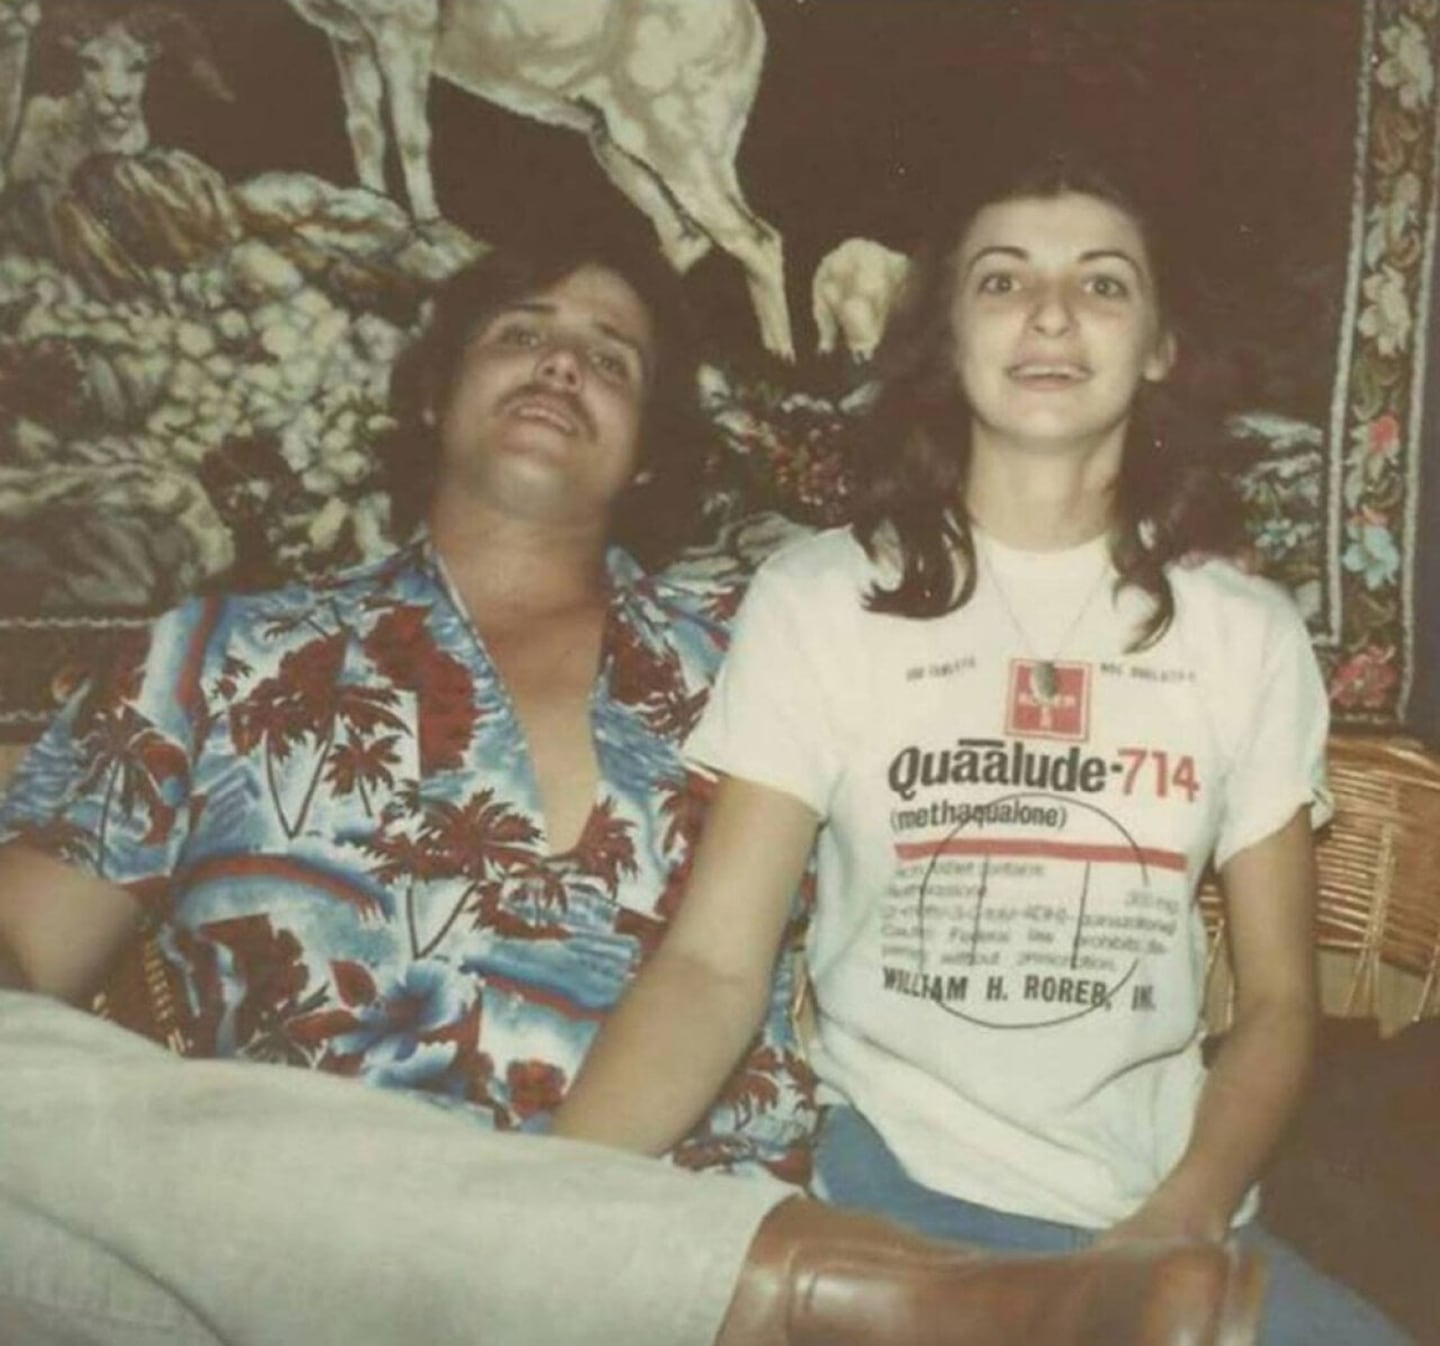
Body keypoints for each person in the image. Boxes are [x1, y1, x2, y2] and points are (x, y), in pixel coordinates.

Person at [0, 236, 1264, 1346]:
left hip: (694, 1246)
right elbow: (23, 951)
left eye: (611, 359)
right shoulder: (217, 651)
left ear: (653, 450)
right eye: (521, 335)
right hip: (294, 1258)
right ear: (434, 390)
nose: (562, 364)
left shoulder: (767, 643)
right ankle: (879, 1298)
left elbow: (1042, 669)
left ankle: (817, 1285)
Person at [552, 160, 1411, 1346]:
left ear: (1160, 347)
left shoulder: (1244, 635)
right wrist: (545, 1197)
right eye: (1002, 281)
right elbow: (710, 965)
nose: (1051, 313)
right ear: (946, 337)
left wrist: (1180, 1219)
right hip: (892, 1205)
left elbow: (1276, 1001)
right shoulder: (820, 598)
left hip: (1169, 1212)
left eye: (1102, 284)